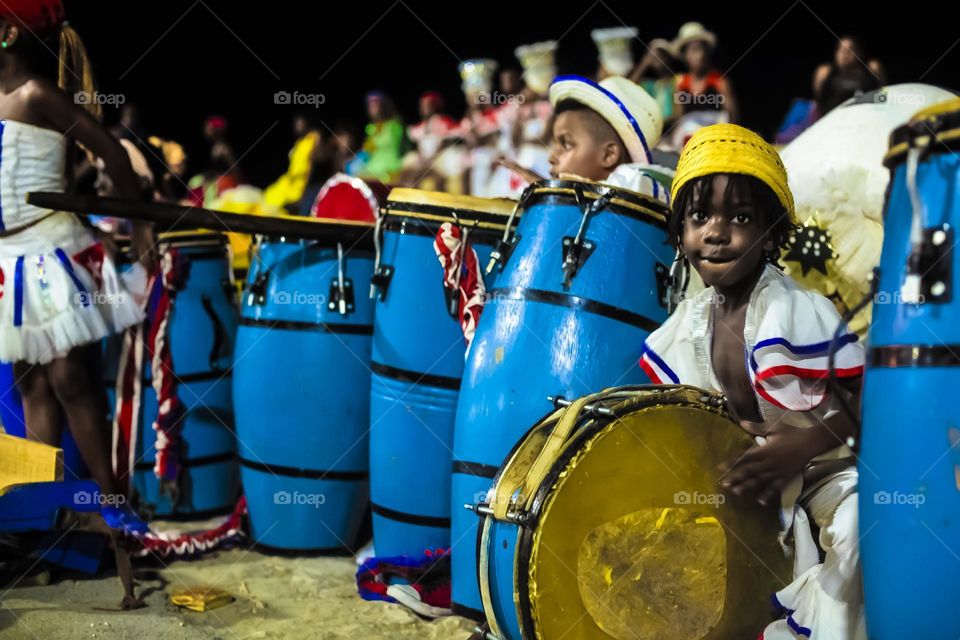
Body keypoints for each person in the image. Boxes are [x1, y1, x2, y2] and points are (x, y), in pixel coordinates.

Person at [640, 124, 866, 639]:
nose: (716, 232)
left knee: (862, 532)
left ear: (771, 232)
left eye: (740, 217)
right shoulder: (686, 326)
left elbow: (871, 399)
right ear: (679, 232)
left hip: (830, 472)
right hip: (759, 491)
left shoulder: (797, 310)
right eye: (699, 217)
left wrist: (806, 442)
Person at [0, 0, 155, 606]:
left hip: (51, 254)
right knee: (33, 386)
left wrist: (139, 226)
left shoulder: (38, 95)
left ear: (10, 32)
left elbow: (111, 153)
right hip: (11, 261)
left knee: (70, 383)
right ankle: (44, 523)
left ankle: (114, 519)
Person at [500, 74, 670, 202]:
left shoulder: (640, 183)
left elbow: (620, 192)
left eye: (566, 144)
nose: (551, 157)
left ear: (609, 155)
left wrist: (553, 191)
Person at [673, 22, 738, 123]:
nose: (701, 55)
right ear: (685, 55)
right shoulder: (680, 82)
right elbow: (678, 118)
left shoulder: (719, 80)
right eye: (695, 50)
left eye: (704, 49)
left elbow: (732, 115)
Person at [263, 112, 321, 211]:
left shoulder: (313, 138)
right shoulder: (298, 142)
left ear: (307, 124)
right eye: (296, 124)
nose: (297, 127)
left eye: (300, 123)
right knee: (269, 197)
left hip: (301, 183)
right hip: (290, 181)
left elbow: (311, 165)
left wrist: (305, 191)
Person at [814, 36, 885, 115]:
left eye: (850, 49)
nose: (844, 54)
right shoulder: (826, 72)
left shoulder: (871, 70)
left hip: (864, 116)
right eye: (840, 49)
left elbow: (882, 95)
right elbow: (819, 101)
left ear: (859, 52)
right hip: (834, 119)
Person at [357, 91, 407, 184]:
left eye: (375, 104)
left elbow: (397, 145)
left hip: (389, 165)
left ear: (383, 106)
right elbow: (368, 149)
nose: (372, 108)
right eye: (370, 105)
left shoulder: (394, 125)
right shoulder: (371, 128)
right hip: (372, 165)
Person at [629, 38, 679, 124]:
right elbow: (630, 85)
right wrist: (645, 63)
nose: (657, 58)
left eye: (661, 55)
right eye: (653, 56)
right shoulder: (652, 85)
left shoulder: (677, 81)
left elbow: (677, 114)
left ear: (669, 57)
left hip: (671, 128)